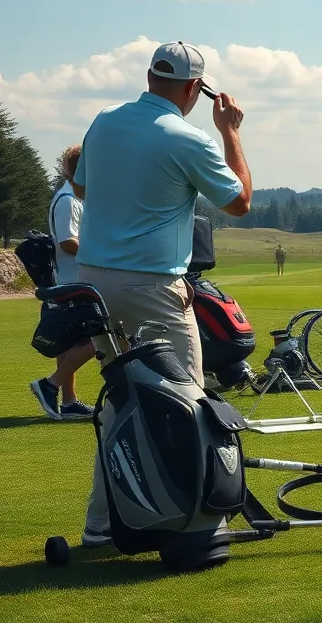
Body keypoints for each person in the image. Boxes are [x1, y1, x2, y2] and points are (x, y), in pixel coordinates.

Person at [70, 40, 252, 547]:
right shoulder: (187, 137)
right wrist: (231, 133)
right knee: (188, 398)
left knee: (120, 402)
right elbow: (239, 202)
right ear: (195, 88)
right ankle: (200, 519)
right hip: (150, 285)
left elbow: (81, 186)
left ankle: (102, 525)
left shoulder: (105, 120)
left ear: (150, 76)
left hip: (91, 281)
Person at [29, 145, 97, 420]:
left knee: (72, 344)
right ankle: (50, 384)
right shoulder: (68, 199)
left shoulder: (76, 198)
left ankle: (68, 402)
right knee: (101, 339)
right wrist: (100, 253)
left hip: (78, 280)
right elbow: (67, 242)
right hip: (75, 281)